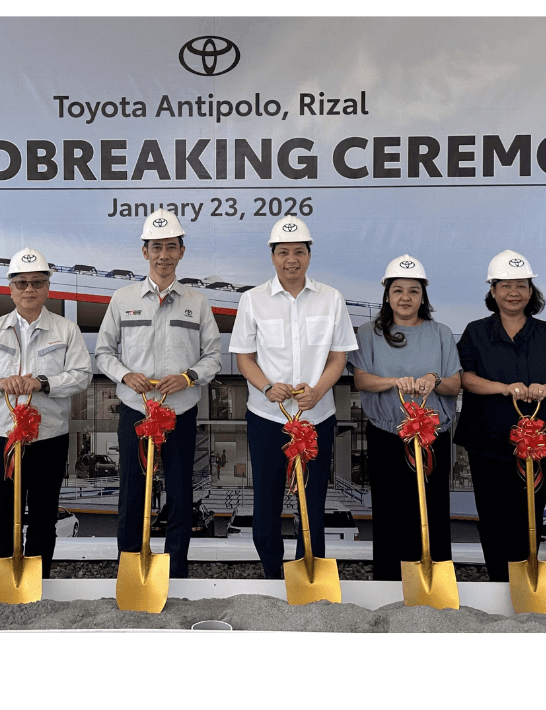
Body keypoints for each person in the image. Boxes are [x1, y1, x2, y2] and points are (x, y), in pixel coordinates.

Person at [229, 216, 357, 579]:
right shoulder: (252, 300)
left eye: (298, 251)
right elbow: (243, 357)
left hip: (317, 417)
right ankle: (273, 576)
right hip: (269, 418)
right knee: (266, 505)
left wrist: (319, 391)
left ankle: (307, 576)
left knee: (312, 504)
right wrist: (268, 387)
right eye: (283, 252)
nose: (291, 259)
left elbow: (338, 356)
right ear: (272, 257)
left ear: (309, 255)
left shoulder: (331, 299)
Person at [95, 209, 221, 578]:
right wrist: (125, 375)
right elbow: (104, 352)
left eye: (170, 247)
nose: (163, 254)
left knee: (180, 494)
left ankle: (176, 573)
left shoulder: (196, 302)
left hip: (180, 411)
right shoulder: (122, 299)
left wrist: (189, 377)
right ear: (144, 252)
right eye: (155, 247)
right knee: (133, 493)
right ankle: (131, 572)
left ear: (182, 252)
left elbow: (214, 355)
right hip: (137, 410)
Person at [0, 247, 91, 577]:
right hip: (5, 440)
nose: (29, 289)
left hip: (49, 439)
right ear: (10, 288)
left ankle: (36, 583)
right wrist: (1, 383)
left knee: (44, 516)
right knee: (6, 514)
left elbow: (81, 375)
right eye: (21, 283)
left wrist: (44, 384)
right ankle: (8, 582)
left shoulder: (66, 331)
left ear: (48, 287)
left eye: (36, 282)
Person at [453, 249, 546, 582]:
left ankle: (526, 583)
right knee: (492, 517)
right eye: (505, 286)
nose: (513, 293)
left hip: (537, 445)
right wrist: (502, 387)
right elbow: (463, 377)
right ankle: (498, 583)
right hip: (487, 442)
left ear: (531, 292)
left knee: (530, 515)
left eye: (521, 286)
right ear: (492, 292)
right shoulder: (476, 332)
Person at [348, 254, 462, 581]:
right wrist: (395, 382)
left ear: (423, 296)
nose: (405, 297)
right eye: (398, 290)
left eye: (413, 291)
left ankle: (433, 584)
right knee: (388, 513)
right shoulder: (369, 333)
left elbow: (454, 385)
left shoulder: (440, 333)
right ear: (387, 295)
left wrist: (434, 379)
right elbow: (361, 380)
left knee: (433, 512)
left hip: (432, 438)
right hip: (387, 435)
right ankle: (388, 584)